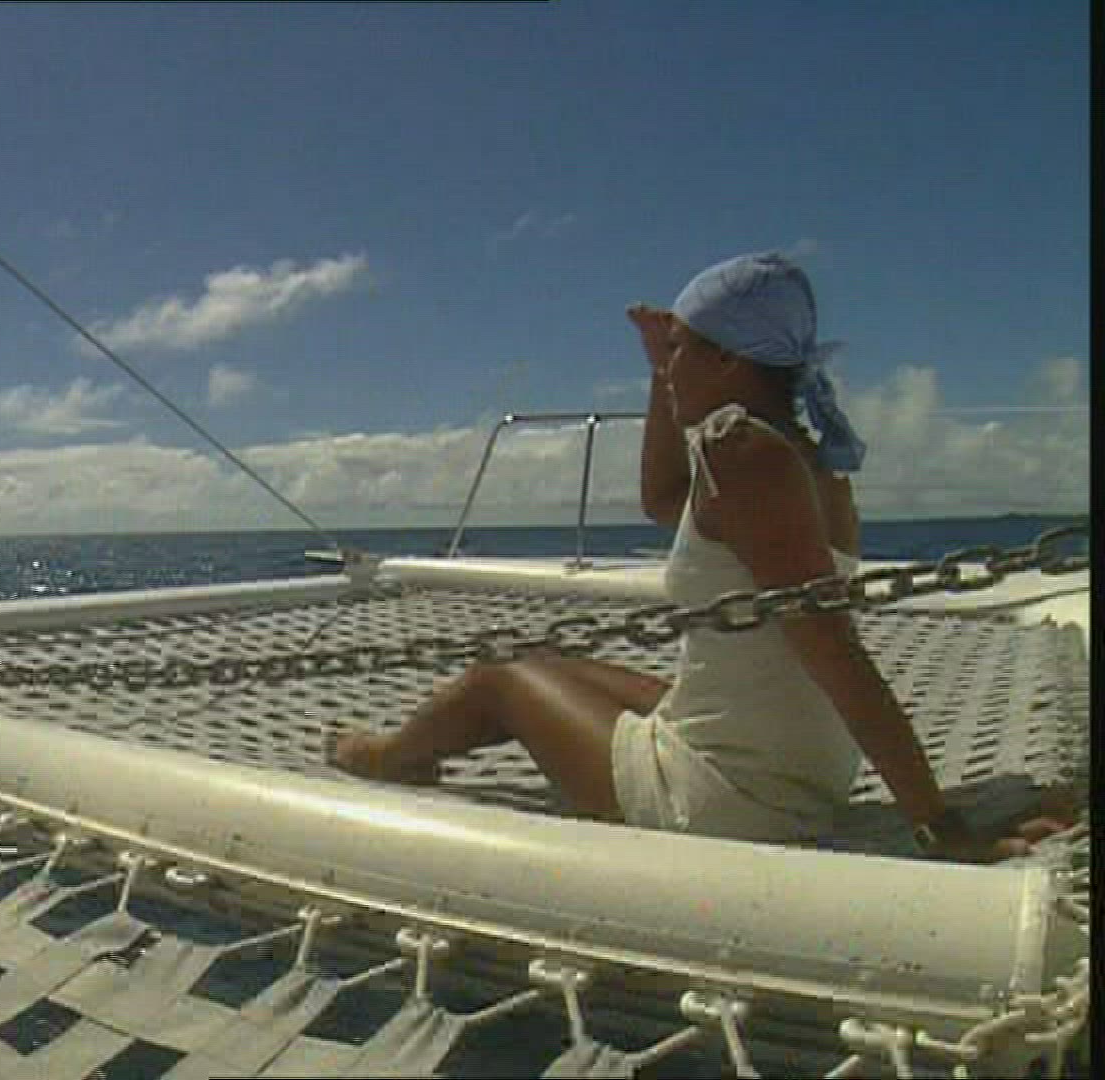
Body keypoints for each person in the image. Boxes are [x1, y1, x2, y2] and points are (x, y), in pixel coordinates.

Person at [328, 252, 1075, 863]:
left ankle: (387, 756)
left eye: (682, 349)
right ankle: (414, 749)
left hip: (739, 796)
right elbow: (663, 500)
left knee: (499, 676)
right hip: (791, 758)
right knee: (548, 661)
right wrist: (659, 370)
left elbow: (834, 651)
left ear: (727, 359)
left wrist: (938, 826)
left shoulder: (742, 452)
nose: (672, 365)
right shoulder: (803, 456)